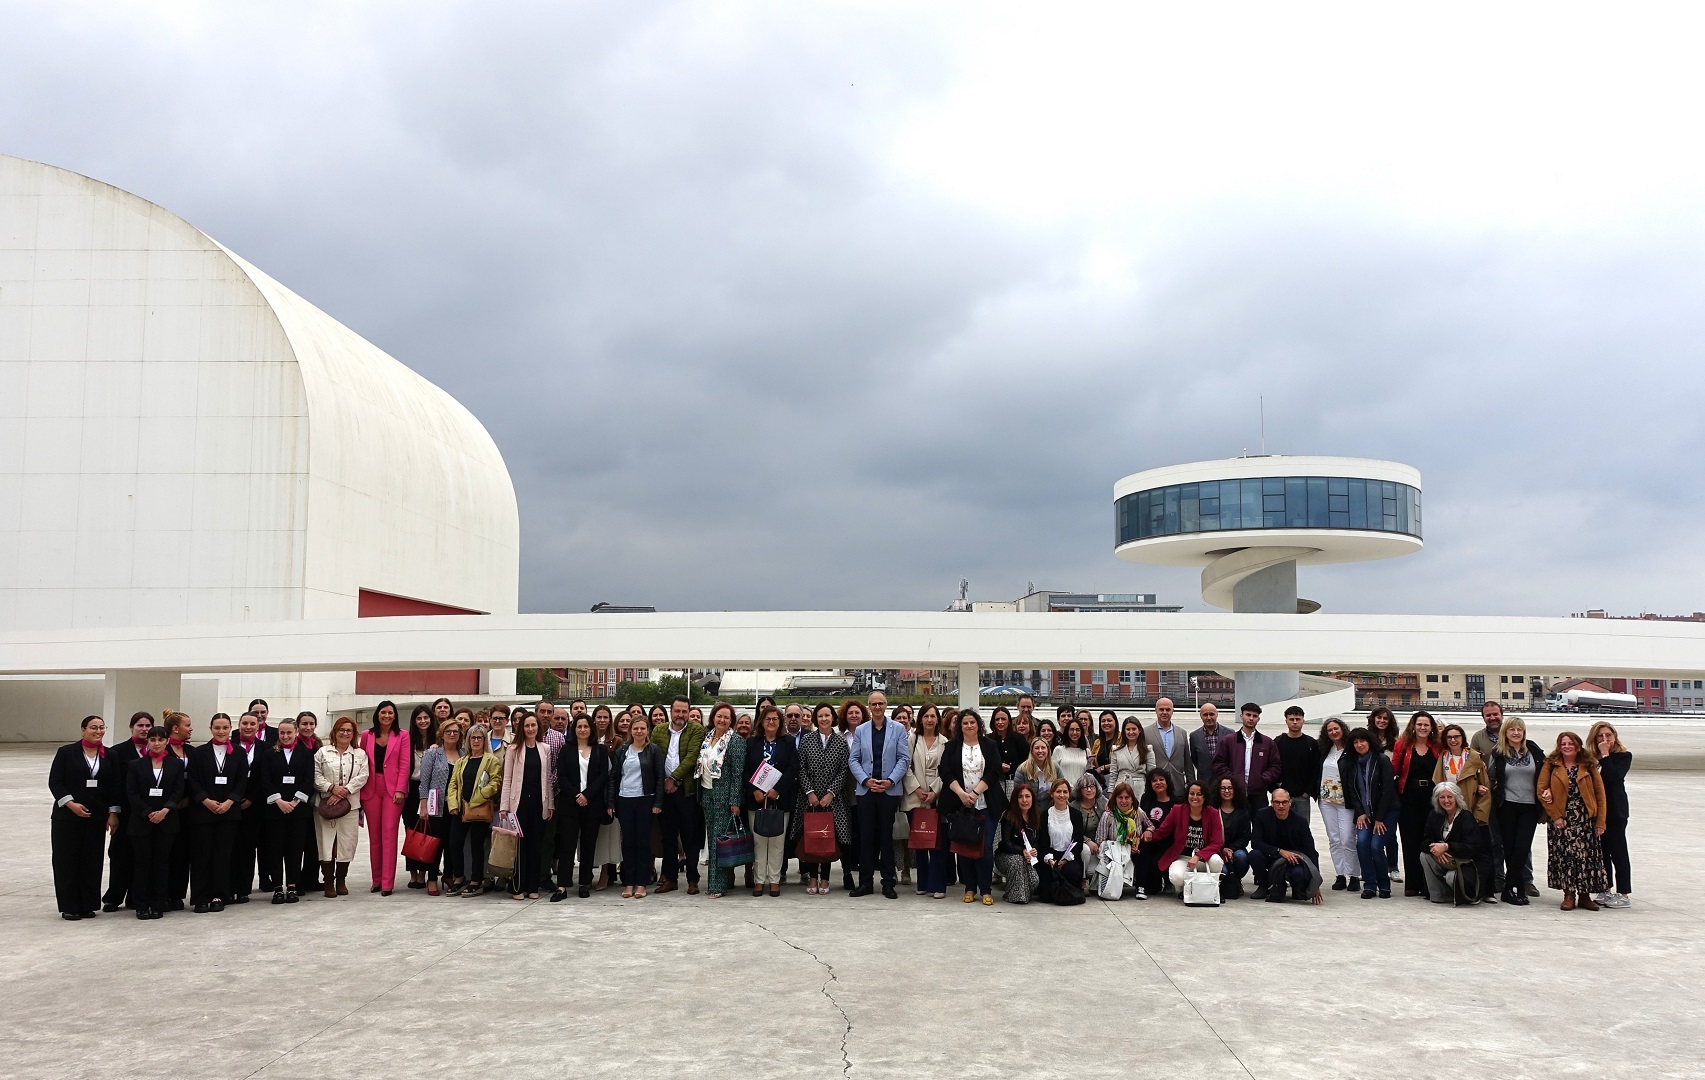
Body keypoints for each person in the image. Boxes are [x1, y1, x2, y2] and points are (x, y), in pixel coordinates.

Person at [49, 715, 118, 920]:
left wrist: (112, 813)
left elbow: (114, 786)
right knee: (67, 860)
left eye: (101, 728)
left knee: (92, 860)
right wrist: (71, 804)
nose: (98, 731)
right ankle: (69, 906)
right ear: (83, 730)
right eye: (93, 727)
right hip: (67, 817)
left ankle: (88, 904)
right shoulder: (66, 752)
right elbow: (55, 782)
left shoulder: (109, 755)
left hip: (96, 817)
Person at [939, 709, 1007, 906]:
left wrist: (976, 792)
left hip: (986, 803)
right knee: (964, 846)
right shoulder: (951, 746)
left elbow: (995, 771)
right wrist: (961, 794)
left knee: (985, 848)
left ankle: (985, 889)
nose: (969, 726)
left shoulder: (990, 745)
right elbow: (945, 771)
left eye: (972, 722)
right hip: (959, 805)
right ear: (960, 727)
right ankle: (969, 887)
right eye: (965, 723)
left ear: (978, 725)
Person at [848, 693, 910, 899]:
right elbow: (854, 759)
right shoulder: (861, 730)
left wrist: (890, 781)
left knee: (886, 837)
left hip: (888, 790)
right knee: (866, 838)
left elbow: (903, 759)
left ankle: (888, 883)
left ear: (886, 705)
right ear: (869, 706)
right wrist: (865, 780)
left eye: (880, 703)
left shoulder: (898, 729)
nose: (877, 707)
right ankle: (865, 883)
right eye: (873, 704)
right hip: (866, 791)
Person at [186, 712, 248, 913]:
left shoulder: (238, 753)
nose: (221, 731)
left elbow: (241, 781)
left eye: (225, 728)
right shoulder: (199, 752)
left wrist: (230, 801)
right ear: (211, 729)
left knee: (223, 855)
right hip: (203, 811)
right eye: (217, 728)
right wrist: (206, 800)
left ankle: (219, 895)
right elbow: (193, 780)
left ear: (231, 729)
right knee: (202, 854)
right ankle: (200, 897)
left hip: (228, 812)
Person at [1540, 732, 1608, 911]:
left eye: (1571, 743)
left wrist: (1601, 822)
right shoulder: (1551, 764)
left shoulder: (1588, 765)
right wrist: (1555, 816)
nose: (1567, 746)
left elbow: (1600, 794)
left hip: (1585, 820)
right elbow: (1541, 790)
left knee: (1585, 858)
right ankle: (1568, 894)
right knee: (1565, 858)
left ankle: (1585, 896)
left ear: (1577, 746)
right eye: (1563, 743)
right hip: (1561, 820)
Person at [125, 725, 185, 920]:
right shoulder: (136, 765)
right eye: (153, 740)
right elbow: (132, 793)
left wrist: (165, 810)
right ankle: (141, 904)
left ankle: (159, 902)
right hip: (142, 821)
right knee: (142, 863)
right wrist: (148, 812)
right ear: (147, 742)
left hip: (167, 820)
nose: (157, 743)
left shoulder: (175, 764)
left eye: (160, 739)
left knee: (161, 863)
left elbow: (178, 791)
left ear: (167, 741)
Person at [795, 702, 852, 896]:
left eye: (827, 715)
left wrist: (831, 793)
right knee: (811, 836)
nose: (824, 719)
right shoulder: (807, 740)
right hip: (809, 798)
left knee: (827, 837)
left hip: (833, 799)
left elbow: (845, 769)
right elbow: (800, 768)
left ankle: (825, 877)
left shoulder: (840, 741)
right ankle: (812, 877)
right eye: (820, 716)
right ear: (815, 719)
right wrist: (810, 792)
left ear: (833, 718)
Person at [101, 711, 154, 912]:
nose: (144, 729)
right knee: (120, 854)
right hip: (125, 812)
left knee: (142, 856)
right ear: (131, 727)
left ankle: (135, 895)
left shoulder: (158, 751)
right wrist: (112, 812)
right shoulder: (118, 752)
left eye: (148, 725)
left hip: (148, 813)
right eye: (140, 725)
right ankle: (113, 897)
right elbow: (113, 785)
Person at [500, 712, 556, 900]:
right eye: (527, 725)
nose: (530, 729)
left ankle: (533, 887)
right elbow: (507, 779)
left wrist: (550, 805)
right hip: (519, 803)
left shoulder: (545, 748)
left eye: (533, 725)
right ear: (521, 728)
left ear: (538, 728)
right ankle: (517, 887)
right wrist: (504, 807)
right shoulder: (513, 749)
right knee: (519, 846)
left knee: (535, 845)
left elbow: (548, 779)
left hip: (538, 803)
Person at [652, 697, 705, 895]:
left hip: (686, 791)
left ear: (688, 712)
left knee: (690, 837)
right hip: (664, 793)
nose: (680, 715)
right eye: (677, 711)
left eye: (684, 711)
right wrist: (663, 783)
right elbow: (655, 757)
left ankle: (692, 879)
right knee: (668, 838)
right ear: (671, 711)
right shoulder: (658, 730)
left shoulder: (696, 730)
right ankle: (670, 878)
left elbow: (692, 757)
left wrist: (674, 779)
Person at [1488, 717, 1544, 906]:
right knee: (1509, 848)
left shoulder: (1533, 750)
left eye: (1519, 729)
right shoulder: (1498, 753)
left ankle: (1509, 888)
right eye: (1512, 729)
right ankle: (1516, 889)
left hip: (1529, 806)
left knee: (1522, 847)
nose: (1516, 733)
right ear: (1506, 732)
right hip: (1507, 805)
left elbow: (1545, 772)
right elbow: (1490, 776)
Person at [609, 714, 665, 899]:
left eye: (642, 728)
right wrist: (611, 802)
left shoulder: (654, 750)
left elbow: (659, 778)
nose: (639, 732)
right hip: (625, 800)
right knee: (628, 843)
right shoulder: (622, 750)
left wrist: (657, 802)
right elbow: (614, 778)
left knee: (643, 843)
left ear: (647, 730)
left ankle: (642, 883)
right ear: (630, 731)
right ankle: (628, 882)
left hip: (645, 800)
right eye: (635, 728)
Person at [260, 716, 315, 904]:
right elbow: (265, 779)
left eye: (289, 732)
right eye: (282, 733)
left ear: (296, 733)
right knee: (275, 849)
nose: (285, 736)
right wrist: (279, 801)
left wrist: (295, 801)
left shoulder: (306, 754)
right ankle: (277, 887)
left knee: (295, 849)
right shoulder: (269, 753)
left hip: (298, 811)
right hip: (275, 810)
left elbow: (309, 779)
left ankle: (292, 885)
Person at [553, 715, 609, 900]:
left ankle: (584, 883)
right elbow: (562, 777)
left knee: (588, 846)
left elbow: (602, 777)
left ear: (591, 729)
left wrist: (587, 795)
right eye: (579, 726)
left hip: (592, 805)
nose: (582, 729)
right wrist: (577, 795)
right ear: (574, 729)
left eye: (586, 726)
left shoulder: (600, 750)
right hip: (570, 805)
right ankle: (563, 886)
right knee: (567, 846)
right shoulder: (566, 750)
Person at [314, 717, 369, 899]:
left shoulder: (359, 754)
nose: (345, 733)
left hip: (350, 806)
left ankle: (341, 880)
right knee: (326, 842)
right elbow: (316, 775)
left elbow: (363, 776)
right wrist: (331, 789)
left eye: (349, 730)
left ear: (354, 734)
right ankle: (328, 881)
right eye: (341, 730)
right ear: (335, 731)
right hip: (325, 805)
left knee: (347, 843)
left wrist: (345, 791)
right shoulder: (322, 752)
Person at [696, 704, 746, 898]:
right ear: (713, 718)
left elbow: (737, 775)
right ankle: (714, 882)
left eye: (726, 717)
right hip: (707, 794)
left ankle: (718, 885)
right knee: (712, 840)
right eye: (719, 716)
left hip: (725, 798)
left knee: (720, 842)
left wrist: (734, 801)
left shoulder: (736, 741)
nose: (722, 720)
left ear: (731, 720)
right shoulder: (707, 738)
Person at [745, 706, 796, 897]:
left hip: (780, 800)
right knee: (758, 842)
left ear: (780, 721)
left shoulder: (788, 742)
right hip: (756, 800)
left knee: (777, 842)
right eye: (767, 719)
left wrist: (777, 790)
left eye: (775, 719)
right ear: (762, 722)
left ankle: (774, 880)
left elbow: (793, 768)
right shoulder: (752, 743)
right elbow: (745, 770)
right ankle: (759, 880)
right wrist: (754, 791)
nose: (771, 723)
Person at [360, 701, 410, 896]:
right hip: (371, 788)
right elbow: (361, 761)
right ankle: (376, 880)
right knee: (375, 836)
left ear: (395, 715)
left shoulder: (402, 736)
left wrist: (400, 789)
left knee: (389, 834)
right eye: (383, 712)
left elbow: (404, 764)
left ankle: (388, 883)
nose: (387, 716)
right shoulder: (367, 735)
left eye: (390, 712)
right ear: (377, 714)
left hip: (393, 790)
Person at [447, 723, 502, 897]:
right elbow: (453, 784)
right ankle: (459, 877)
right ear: (468, 740)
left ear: (484, 740)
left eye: (479, 737)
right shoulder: (462, 761)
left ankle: (476, 880)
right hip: (461, 809)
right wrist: (453, 805)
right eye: (473, 737)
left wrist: (479, 796)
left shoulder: (491, 760)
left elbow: (495, 782)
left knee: (477, 846)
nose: (476, 741)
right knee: (454, 843)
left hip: (479, 809)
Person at [1145, 781, 1225, 897]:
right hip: (1184, 858)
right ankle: (1188, 889)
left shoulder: (1213, 813)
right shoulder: (1178, 810)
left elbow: (1217, 843)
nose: (1195, 797)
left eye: (1199, 794)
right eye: (1192, 793)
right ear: (1187, 795)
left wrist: (1199, 856)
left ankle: (1213, 889)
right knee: (1176, 876)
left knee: (1216, 861)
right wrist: (1147, 834)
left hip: (1205, 858)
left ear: (1205, 796)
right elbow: (1162, 832)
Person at [1344, 727, 1397, 899]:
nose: (1359, 745)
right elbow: (1352, 790)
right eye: (1355, 742)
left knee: (1375, 846)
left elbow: (1388, 790)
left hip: (1386, 812)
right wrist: (1359, 812)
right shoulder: (1351, 764)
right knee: (1362, 844)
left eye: (1362, 741)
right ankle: (1369, 884)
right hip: (1364, 813)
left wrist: (1380, 818)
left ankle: (1384, 885)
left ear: (1369, 742)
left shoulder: (1381, 759)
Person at [1392, 711, 1440, 897]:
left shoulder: (1437, 746)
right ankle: (1412, 883)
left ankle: (1428, 883)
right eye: (1419, 724)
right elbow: (1394, 770)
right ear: (1413, 725)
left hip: (1432, 799)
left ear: (1431, 728)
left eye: (1426, 725)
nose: (1422, 728)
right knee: (1409, 840)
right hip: (1409, 798)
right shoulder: (1403, 745)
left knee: (1428, 839)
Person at [900, 703, 947, 897]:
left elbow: (947, 770)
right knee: (920, 841)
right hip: (915, 797)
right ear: (920, 719)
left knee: (937, 843)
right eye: (926, 716)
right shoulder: (912, 739)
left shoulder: (945, 742)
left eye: (933, 716)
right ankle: (923, 883)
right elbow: (905, 766)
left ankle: (938, 885)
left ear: (938, 719)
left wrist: (935, 791)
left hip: (937, 797)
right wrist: (917, 789)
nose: (929, 720)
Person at [1419, 781, 1490, 905]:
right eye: (1442, 797)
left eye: (1449, 797)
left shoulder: (1466, 817)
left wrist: (1447, 847)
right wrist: (1435, 848)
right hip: (1447, 860)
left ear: (1456, 798)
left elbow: (1473, 847)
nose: (1446, 801)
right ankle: (1439, 895)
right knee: (1424, 856)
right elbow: (1425, 840)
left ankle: (1463, 894)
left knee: (1452, 877)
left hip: (1466, 863)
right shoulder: (1435, 815)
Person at [413, 717, 460, 897]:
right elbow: (423, 782)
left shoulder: (463, 753)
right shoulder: (432, 754)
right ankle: (432, 878)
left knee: (452, 844)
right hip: (436, 807)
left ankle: (448, 876)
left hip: (456, 807)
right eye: (448, 731)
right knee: (436, 844)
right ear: (442, 734)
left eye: (455, 731)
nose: (452, 734)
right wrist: (423, 806)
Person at [1588, 721, 1633, 909]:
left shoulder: (1623, 756)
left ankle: (1623, 893)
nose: (1604, 739)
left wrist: (1606, 755)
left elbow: (1614, 778)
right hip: (1596, 811)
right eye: (1600, 736)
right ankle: (1604, 888)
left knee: (1618, 850)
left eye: (1608, 735)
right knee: (1601, 851)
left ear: (1615, 737)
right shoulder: (1589, 758)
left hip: (1615, 810)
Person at [1250, 789, 1322, 904]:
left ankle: (1297, 888)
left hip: (1293, 860)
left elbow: (1311, 851)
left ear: (1290, 803)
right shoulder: (1262, 815)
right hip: (1271, 855)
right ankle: (1264, 886)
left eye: (1284, 802)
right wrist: (1280, 851)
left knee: (1298, 874)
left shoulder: (1300, 821)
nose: (1281, 806)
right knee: (1254, 855)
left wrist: (1315, 883)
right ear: (1271, 803)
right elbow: (1255, 842)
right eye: (1277, 802)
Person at [228, 711, 270, 901]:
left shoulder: (265, 748)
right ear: (239, 725)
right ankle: (228, 887)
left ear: (258, 726)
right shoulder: (229, 746)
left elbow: (266, 778)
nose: (248, 727)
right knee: (230, 847)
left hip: (255, 804)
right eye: (245, 723)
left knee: (247, 848)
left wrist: (252, 798)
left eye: (252, 724)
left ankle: (243, 889)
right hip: (230, 803)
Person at [1315, 717, 1360, 893]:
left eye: (1336, 729)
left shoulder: (1351, 751)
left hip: (1345, 801)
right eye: (1330, 730)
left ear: (1342, 729)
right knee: (1334, 839)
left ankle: (1354, 875)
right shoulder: (1325, 750)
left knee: (1347, 838)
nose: (1333, 732)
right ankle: (1340, 874)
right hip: (1326, 801)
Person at [1214, 702, 1282, 810]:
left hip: (1258, 794)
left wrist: (1262, 779)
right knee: (1237, 826)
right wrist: (1232, 779)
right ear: (1241, 716)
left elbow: (1275, 766)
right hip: (1235, 793)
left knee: (1259, 825)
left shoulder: (1267, 742)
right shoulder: (1229, 740)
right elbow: (1219, 763)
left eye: (1255, 716)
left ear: (1258, 719)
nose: (1251, 718)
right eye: (1248, 715)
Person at [404, 704, 439, 891]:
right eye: (419, 718)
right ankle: (413, 874)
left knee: (428, 830)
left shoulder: (438, 740)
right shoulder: (407, 741)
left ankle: (424, 873)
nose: (423, 721)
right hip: (411, 788)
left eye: (426, 718)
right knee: (411, 830)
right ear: (414, 721)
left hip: (433, 790)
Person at [1037, 778, 1089, 905]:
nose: (1061, 795)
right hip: (1050, 858)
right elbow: (1042, 842)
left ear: (1069, 794)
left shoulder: (1076, 815)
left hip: (1069, 857)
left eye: (1065, 792)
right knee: (1046, 892)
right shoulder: (1045, 815)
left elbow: (1078, 842)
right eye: (1058, 791)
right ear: (1052, 793)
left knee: (1070, 873)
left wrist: (1065, 860)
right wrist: (1050, 860)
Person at [1434, 724, 1492, 829]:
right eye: (1449, 737)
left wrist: (1478, 817)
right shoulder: (1443, 757)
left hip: (1470, 811)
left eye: (1456, 737)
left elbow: (1485, 790)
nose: (1453, 740)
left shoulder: (1474, 757)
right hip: (1449, 811)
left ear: (1462, 738)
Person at [1093, 782, 1144, 900]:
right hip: (1113, 855)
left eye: (1127, 798)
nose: (1123, 801)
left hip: (1130, 851)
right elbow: (1100, 841)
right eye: (1120, 797)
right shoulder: (1108, 815)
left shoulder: (1136, 814)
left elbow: (1139, 834)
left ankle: (1140, 886)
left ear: (1132, 799)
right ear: (1115, 799)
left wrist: (1135, 845)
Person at [995, 783, 1042, 904]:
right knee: (1017, 861)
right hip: (1006, 856)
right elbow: (1006, 843)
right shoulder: (1008, 816)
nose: (1024, 800)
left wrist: (1034, 850)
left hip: (1028, 858)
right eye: (1020, 797)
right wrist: (1022, 851)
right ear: (1015, 799)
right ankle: (1014, 896)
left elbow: (1037, 840)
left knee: (1034, 881)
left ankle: (1020, 891)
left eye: (1027, 796)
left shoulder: (1035, 817)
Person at [1134, 768, 1177, 899]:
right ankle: (1141, 883)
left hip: (1167, 844)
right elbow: (1141, 821)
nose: (1158, 783)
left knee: (1155, 866)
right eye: (1154, 780)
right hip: (1148, 842)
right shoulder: (1146, 799)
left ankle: (1169, 881)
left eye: (1161, 779)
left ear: (1167, 782)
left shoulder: (1176, 801)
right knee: (1152, 888)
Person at [1274, 706, 1321, 824]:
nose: (1295, 722)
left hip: (1302, 796)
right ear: (1286, 721)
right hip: (1281, 796)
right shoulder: (1278, 742)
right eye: (1291, 719)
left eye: (1298, 719)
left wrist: (1308, 792)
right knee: (1280, 828)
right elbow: (1272, 766)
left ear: (1303, 721)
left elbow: (1316, 769)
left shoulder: (1311, 743)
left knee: (1302, 827)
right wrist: (1274, 788)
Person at [1214, 776, 1252, 898]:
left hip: (1235, 850)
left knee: (1241, 857)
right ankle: (1221, 885)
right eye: (1223, 788)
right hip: (1216, 850)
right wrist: (1222, 849)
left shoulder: (1243, 811)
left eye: (1230, 788)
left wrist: (1231, 849)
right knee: (1223, 871)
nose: (1226, 791)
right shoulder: (1212, 810)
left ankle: (1236, 881)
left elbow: (1246, 837)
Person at [1146, 698, 1189, 793]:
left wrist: (1191, 784)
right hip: (1155, 787)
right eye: (1161, 709)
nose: (1164, 712)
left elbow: (1187, 762)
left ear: (1173, 711)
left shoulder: (1182, 733)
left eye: (1168, 709)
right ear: (1156, 711)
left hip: (1178, 786)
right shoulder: (1146, 733)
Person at [1187, 703, 1225, 790]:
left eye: (1211, 714)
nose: (1208, 718)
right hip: (1204, 782)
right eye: (1205, 715)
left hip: (1223, 782)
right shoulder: (1194, 736)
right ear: (1201, 716)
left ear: (1217, 714)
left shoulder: (1229, 733)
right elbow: (1194, 759)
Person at [1109, 718, 1150, 794]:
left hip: (1141, 788)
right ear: (1124, 731)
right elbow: (1113, 775)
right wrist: (1111, 794)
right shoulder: (1116, 750)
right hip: (1121, 786)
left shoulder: (1148, 750)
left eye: (1134, 729)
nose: (1131, 732)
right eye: (1128, 729)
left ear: (1139, 730)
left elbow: (1151, 774)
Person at [1015, 736, 1059, 805]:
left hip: (1051, 806)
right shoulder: (1022, 769)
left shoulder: (1055, 767)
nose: (1040, 751)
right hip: (1030, 807)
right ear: (1032, 751)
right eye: (1037, 748)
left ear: (1048, 750)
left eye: (1043, 748)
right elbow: (1017, 793)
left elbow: (1062, 786)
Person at [1052, 717, 1092, 792]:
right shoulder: (1059, 750)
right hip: (1063, 793)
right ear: (1067, 731)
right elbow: (1052, 773)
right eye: (1071, 729)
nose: (1074, 733)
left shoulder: (1086, 751)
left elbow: (1088, 773)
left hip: (1081, 793)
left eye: (1077, 730)